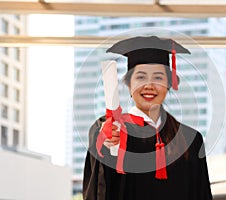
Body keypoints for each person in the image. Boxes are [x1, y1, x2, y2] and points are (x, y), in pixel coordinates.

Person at [82, 36, 213, 200]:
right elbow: (99, 189)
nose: (149, 85)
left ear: (169, 83)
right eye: (141, 77)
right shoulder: (111, 129)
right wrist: (107, 147)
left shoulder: (190, 139)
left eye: (158, 77)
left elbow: (201, 194)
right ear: (129, 84)